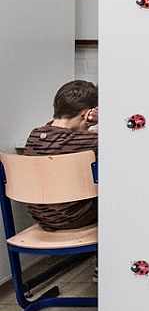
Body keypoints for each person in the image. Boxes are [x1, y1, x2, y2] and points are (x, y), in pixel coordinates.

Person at [23, 80, 99, 231]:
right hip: (76, 219)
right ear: (86, 114)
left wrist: (84, 123)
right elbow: (120, 141)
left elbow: (57, 134)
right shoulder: (88, 140)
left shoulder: (35, 134)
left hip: (42, 218)